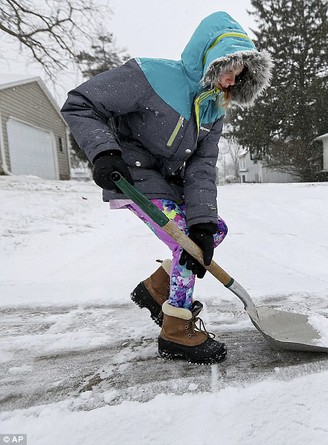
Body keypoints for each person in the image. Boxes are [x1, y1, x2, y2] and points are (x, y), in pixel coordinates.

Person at [61, 12, 272, 364]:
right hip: (131, 176)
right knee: (184, 243)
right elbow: (81, 103)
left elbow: (202, 168)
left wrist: (203, 221)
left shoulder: (213, 109)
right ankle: (176, 330)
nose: (231, 78)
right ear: (208, 56)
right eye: (229, 66)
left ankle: (156, 290)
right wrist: (104, 152)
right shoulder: (150, 76)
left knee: (210, 232)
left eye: (240, 73)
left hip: (167, 185)